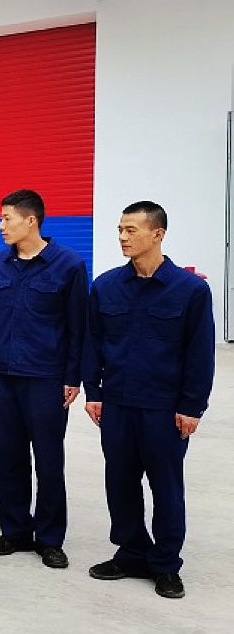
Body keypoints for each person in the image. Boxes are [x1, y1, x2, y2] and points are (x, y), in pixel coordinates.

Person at [83, 201, 214, 599]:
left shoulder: (190, 290)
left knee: (166, 487)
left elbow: (200, 353)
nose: (123, 237)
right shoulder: (106, 286)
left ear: (158, 234)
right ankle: (131, 552)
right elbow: (93, 343)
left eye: (131, 230)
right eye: (120, 230)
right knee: (120, 482)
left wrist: (192, 406)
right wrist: (94, 392)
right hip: (117, 404)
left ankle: (165, 563)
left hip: (164, 407)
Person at [0, 189, 87, 570]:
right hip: (3, 378)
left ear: (31, 220)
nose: (0, 225)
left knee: (49, 462)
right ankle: (15, 531)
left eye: (6, 218)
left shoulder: (68, 265)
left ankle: (50, 538)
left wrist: (73, 377)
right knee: (8, 458)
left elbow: (78, 327)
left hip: (46, 379)